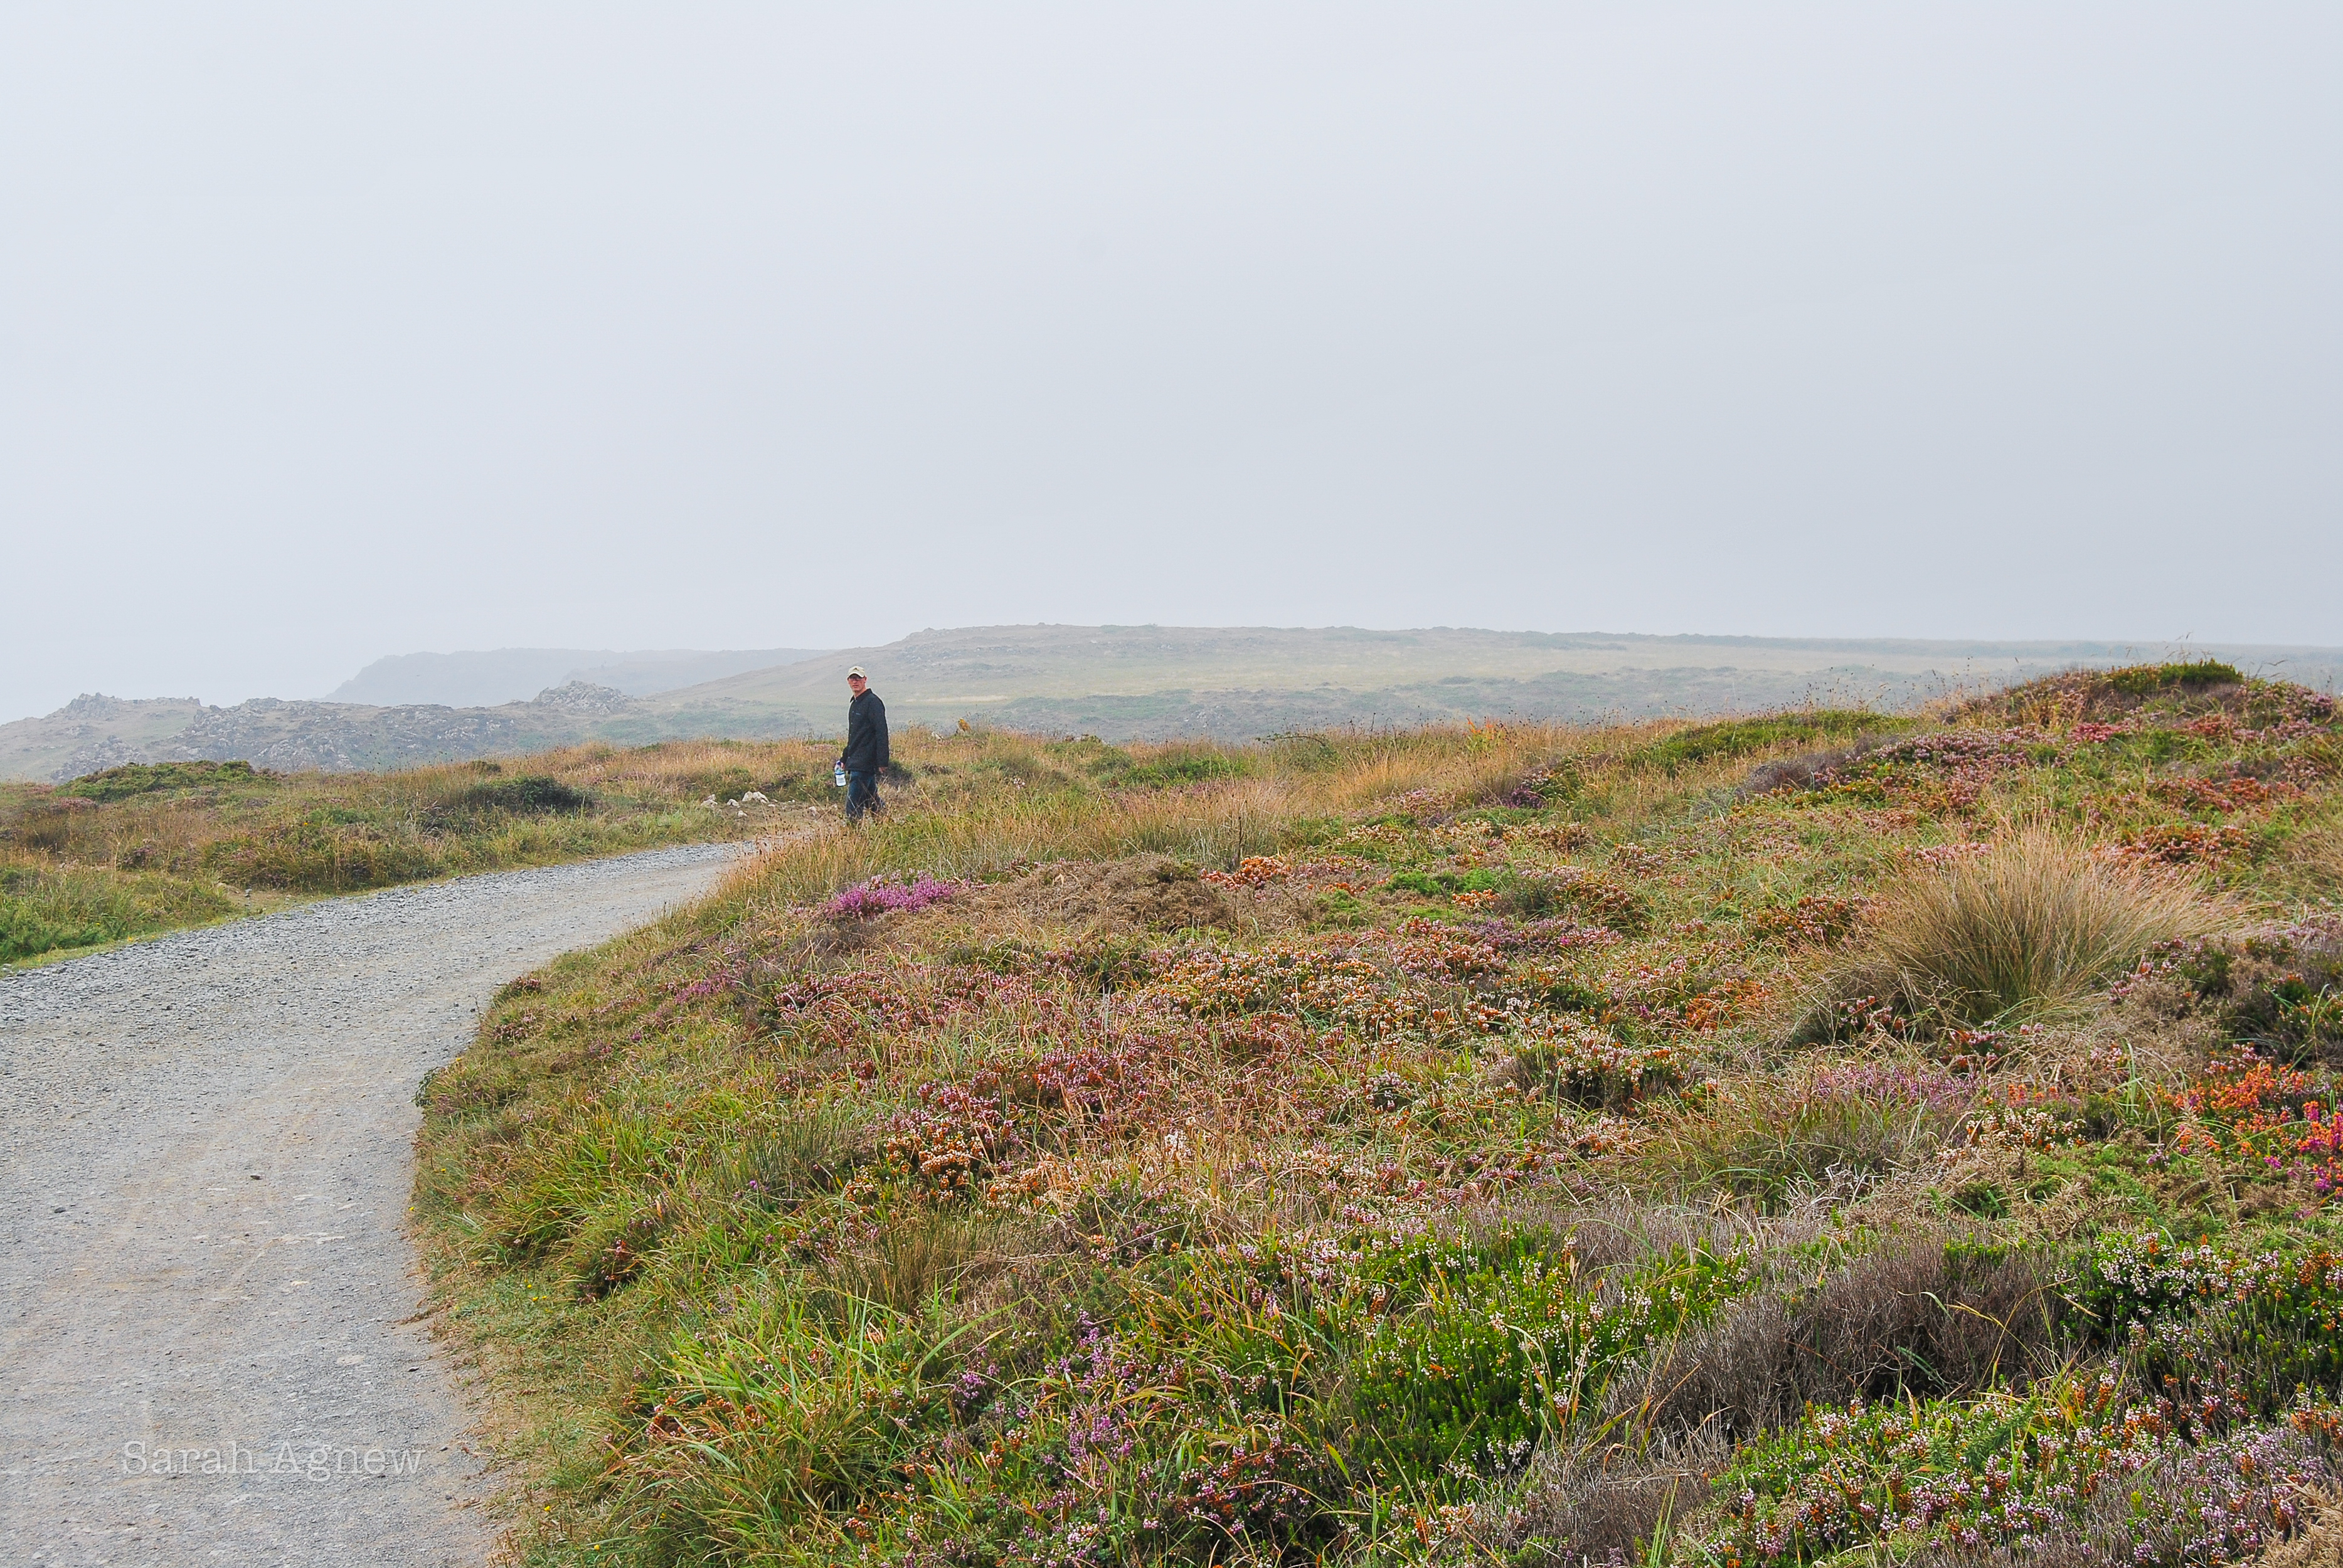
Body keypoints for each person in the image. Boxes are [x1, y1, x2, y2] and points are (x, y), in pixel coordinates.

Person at [840, 665, 888, 823]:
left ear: (865, 680)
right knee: (871, 798)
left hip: (866, 761)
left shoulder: (873, 702)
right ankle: (886, 821)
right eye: (852, 679)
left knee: (853, 802)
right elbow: (854, 735)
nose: (855, 682)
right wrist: (845, 758)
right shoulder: (855, 703)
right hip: (855, 760)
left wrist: (882, 761)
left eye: (858, 678)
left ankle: (854, 834)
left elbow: (881, 732)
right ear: (848, 681)